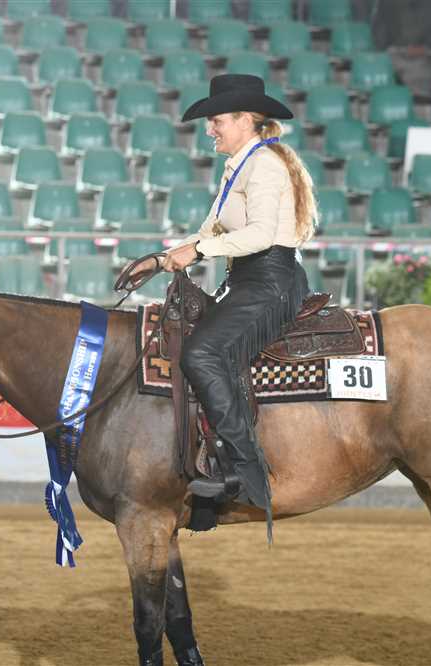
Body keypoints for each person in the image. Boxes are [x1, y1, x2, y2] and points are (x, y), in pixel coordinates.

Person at [133, 74, 318, 528]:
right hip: (248, 280)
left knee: (202, 353)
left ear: (245, 120)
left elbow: (259, 235)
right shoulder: (241, 164)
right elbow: (210, 230)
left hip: (271, 281)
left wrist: (198, 251)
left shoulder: (265, 165)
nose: (209, 129)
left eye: (216, 121)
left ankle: (242, 468)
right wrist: (162, 258)